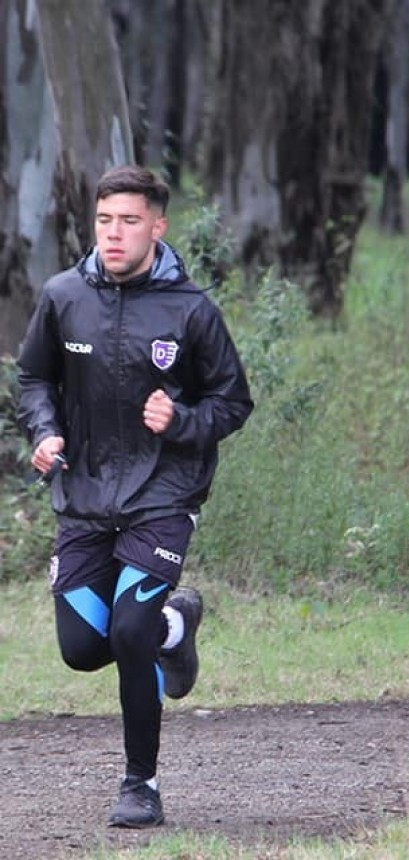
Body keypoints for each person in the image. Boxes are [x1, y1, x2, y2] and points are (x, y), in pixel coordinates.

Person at [16, 165, 254, 826]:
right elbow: (33, 378)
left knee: (128, 630)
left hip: (164, 495)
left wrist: (181, 423)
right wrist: (46, 430)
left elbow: (233, 402)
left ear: (157, 226)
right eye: (104, 221)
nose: (114, 234)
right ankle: (176, 627)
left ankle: (140, 785)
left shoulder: (190, 310)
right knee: (81, 648)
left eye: (128, 221)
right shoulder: (64, 296)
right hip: (84, 494)